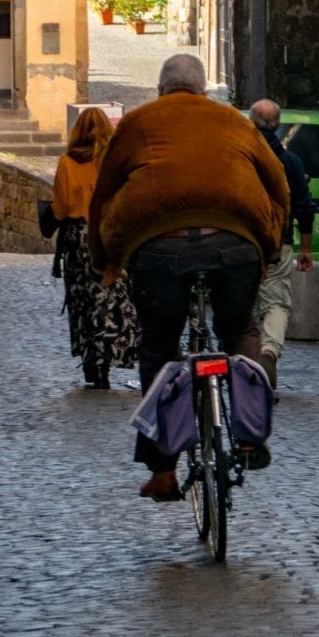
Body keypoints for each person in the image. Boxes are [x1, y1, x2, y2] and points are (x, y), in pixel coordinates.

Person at [87, 52, 288, 502]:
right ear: (201, 91)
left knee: (160, 347)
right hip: (235, 244)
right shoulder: (234, 121)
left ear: (161, 91)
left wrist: (104, 258)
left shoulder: (137, 123)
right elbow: (277, 182)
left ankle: (163, 470)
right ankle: (252, 433)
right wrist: (272, 243)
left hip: (159, 249)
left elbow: (103, 195)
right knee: (239, 328)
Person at [52, 106, 139, 388]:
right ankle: (108, 358)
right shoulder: (115, 163)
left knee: (83, 301)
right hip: (110, 233)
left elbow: (62, 207)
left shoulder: (67, 163)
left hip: (79, 239)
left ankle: (92, 361)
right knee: (110, 298)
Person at [246, 99, 315, 390]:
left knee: (242, 301)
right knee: (277, 303)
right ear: (278, 125)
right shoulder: (289, 161)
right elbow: (304, 207)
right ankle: (269, 351)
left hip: (241, 242)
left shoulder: (239, 158)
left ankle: (245, 360)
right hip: (279, 243)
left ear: (251, 122)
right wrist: (306, 249)